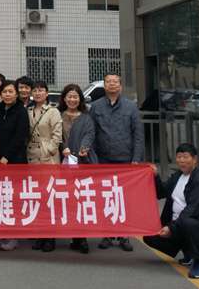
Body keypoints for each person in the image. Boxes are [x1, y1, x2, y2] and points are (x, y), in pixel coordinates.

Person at [144, 143, 199, 279]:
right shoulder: (178, 176)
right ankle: (187, 251)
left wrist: (170, 228)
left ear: (194, 159)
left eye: (185, 157)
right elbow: (161, 193)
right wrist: (155, 176)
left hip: (198, 227)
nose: (181, 160)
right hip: (177, 225)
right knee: (149, 236)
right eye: (179, 157)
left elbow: (192, 210)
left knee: (188, 222)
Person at [91, 72, 143, 252]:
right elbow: (92, 133)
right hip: (103, 160)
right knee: (105, 198)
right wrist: (92, 159)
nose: (112, 84)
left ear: (120, 86)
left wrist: (136, 159)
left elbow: (138, 135)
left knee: (123, 199)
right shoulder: (96, 107)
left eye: (115, 82)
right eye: (108, 82)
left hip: (125, 160)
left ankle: (123, 235)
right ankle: (106, 234)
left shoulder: (131, 107)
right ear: (104, 85)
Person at [58, 83, 97, 254]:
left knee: (81, 200)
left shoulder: (86, 118)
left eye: (75, 97)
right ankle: (67, 234)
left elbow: (90, 134)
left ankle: (81, 237)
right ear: (64, 98)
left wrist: (84, 147)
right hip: (63, 163)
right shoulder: (58, 115)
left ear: (80, 99)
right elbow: (57, 136)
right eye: (69, 96)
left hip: (82, 163)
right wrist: (62, 148)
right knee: (65, 200)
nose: (72, 100)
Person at [27, 79, 62, 252]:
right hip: (31, 157)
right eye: (35, 90)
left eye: (41, 90)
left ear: (47, 93)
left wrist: (49, 150)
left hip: (48, 158)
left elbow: (57, 135)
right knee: (37, 197)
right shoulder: (28, 111)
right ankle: (40, 233)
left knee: (49, 197)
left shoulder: (53, 111)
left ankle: (50, 236)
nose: (38, 93)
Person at [0, 80, 29, 252]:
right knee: (2, 198)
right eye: (4, 92)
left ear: (16, 94)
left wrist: (6, 157)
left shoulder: (21, 111)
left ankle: (14, 235)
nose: (7, 95)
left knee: (13, 199)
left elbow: (20, 137)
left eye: (10, 91)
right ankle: (4, 231)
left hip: (15, 161)